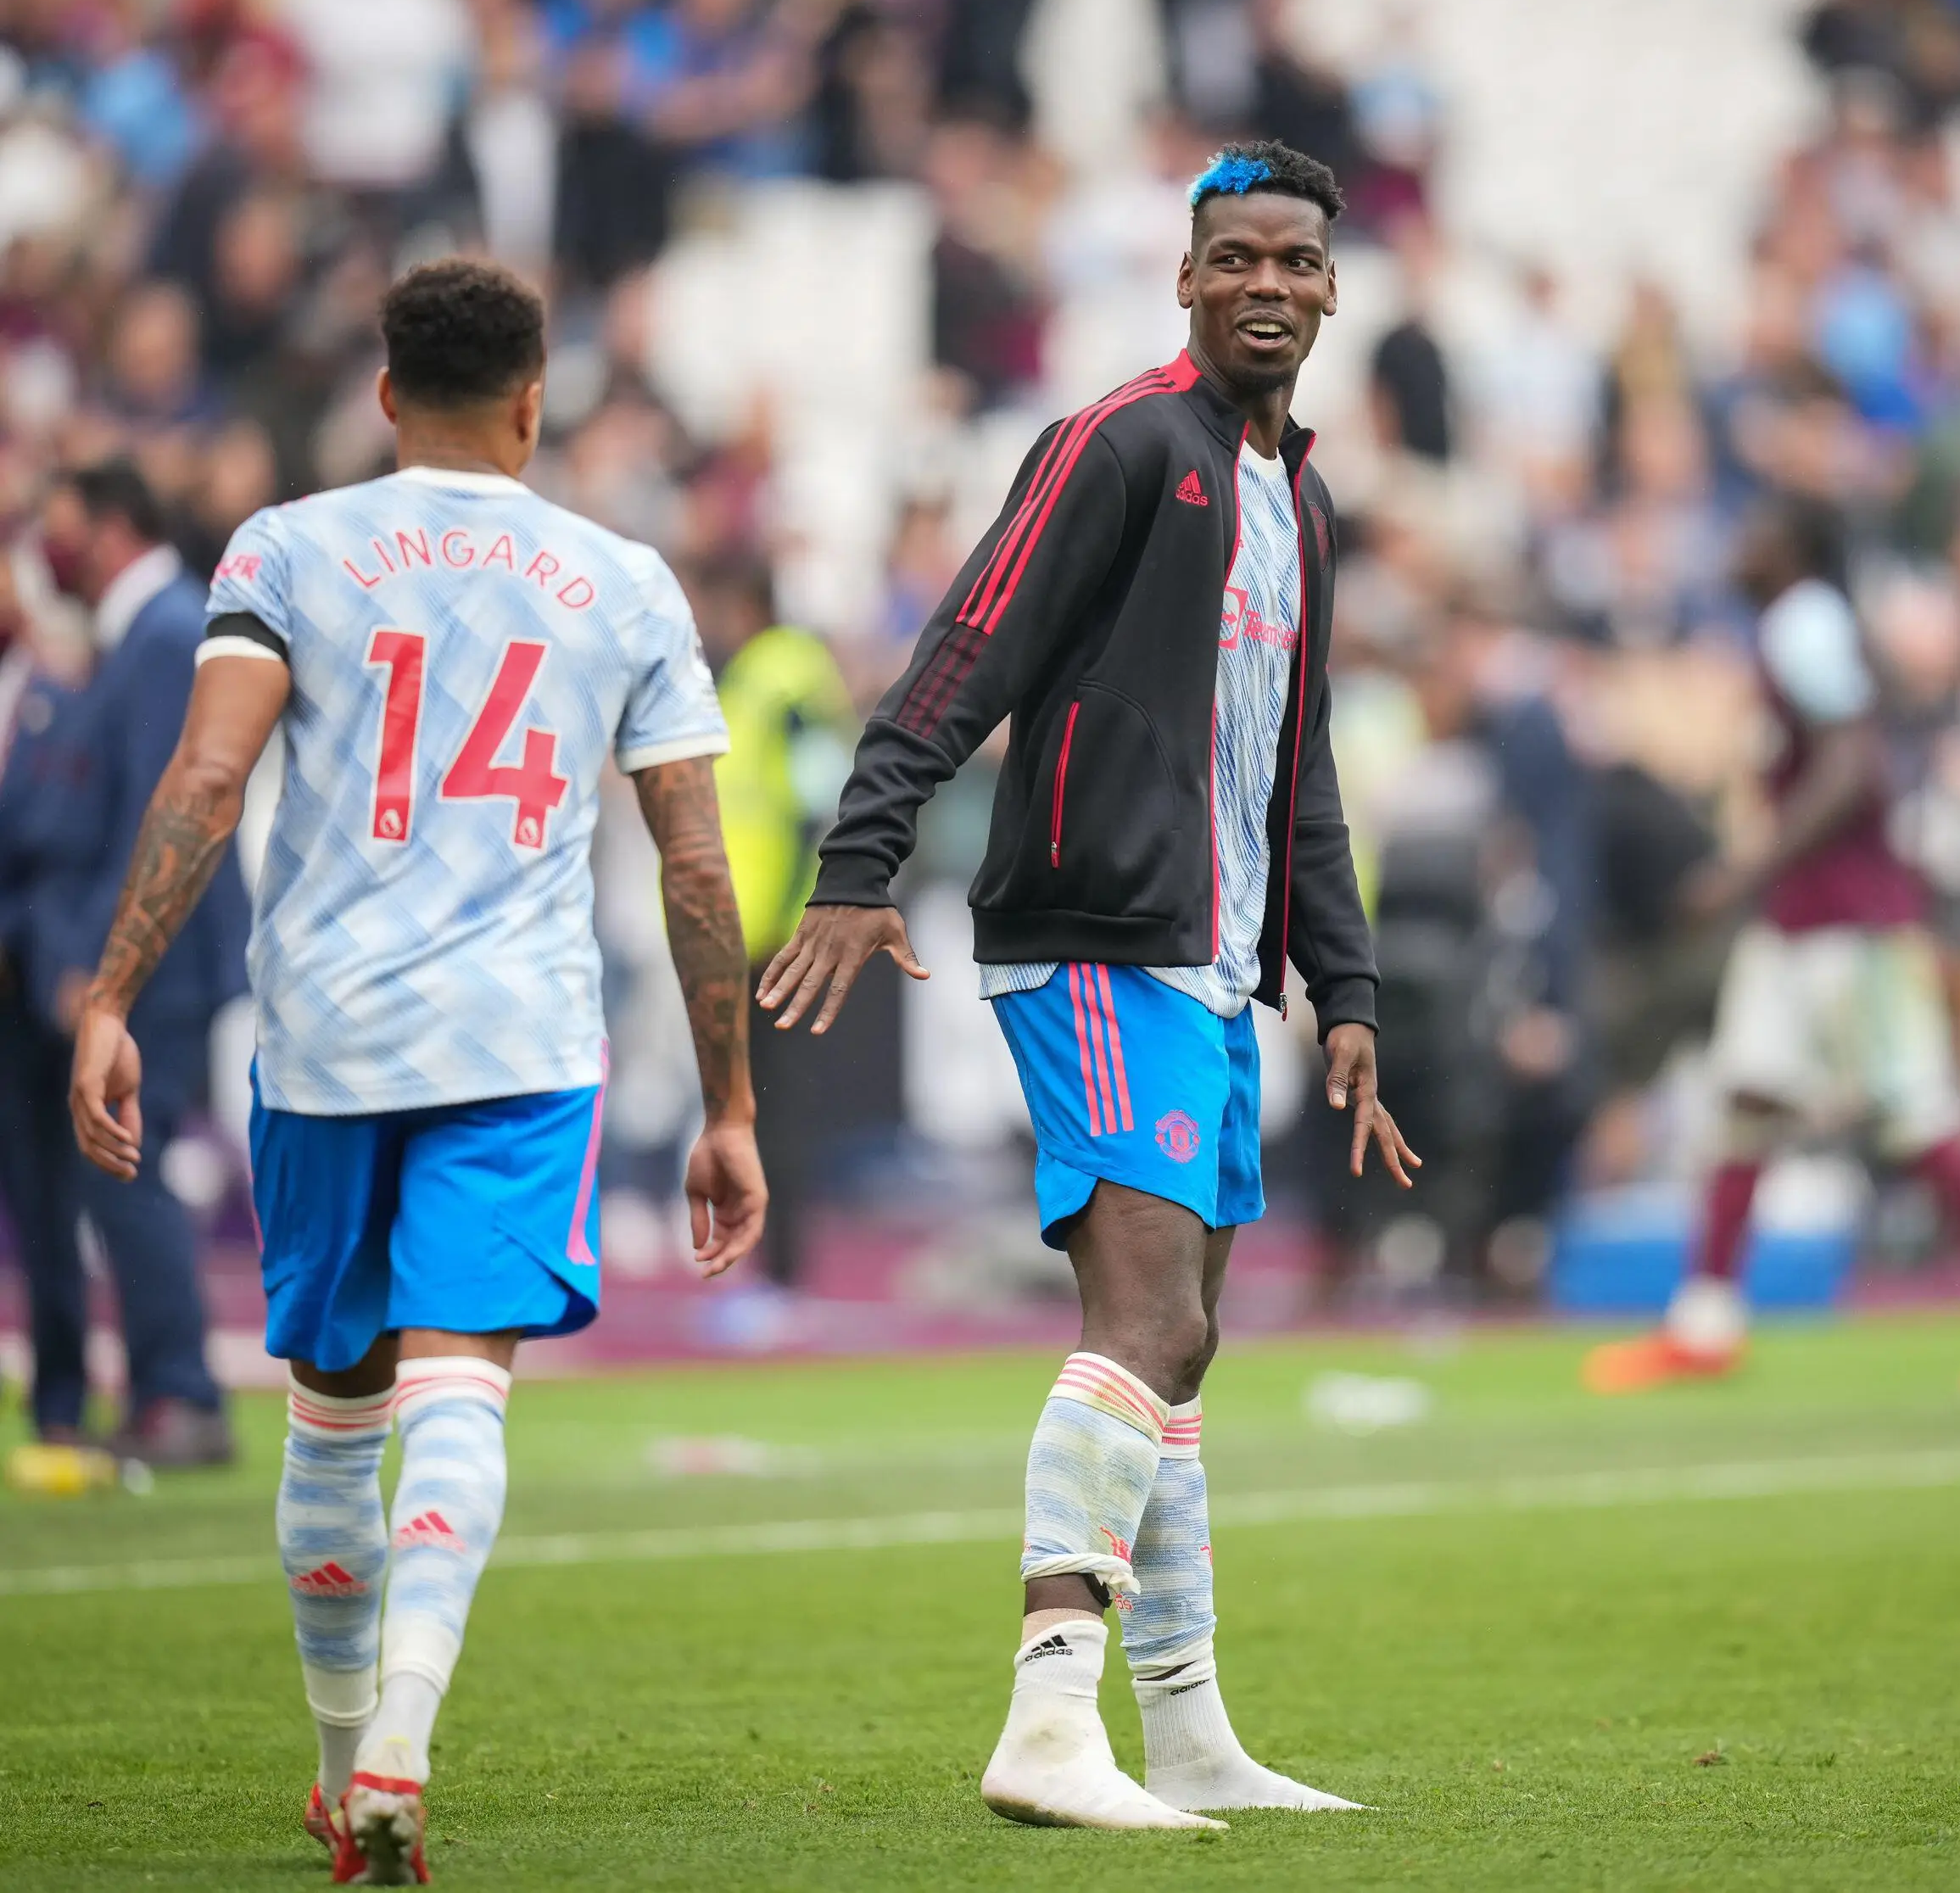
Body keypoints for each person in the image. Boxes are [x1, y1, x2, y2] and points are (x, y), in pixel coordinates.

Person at [66, 258, 765, 1885]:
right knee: (462, 1386)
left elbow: (211, 771)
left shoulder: (286, 549)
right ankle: (406, 1733)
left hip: (323, 1039)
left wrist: (112, 993)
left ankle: (335, 1765)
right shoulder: (625, 582)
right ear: (536, 402)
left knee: (331, 1417)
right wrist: (730, 1105)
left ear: (384, 395)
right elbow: (695, 872)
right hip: (517, 1043)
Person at [757, 140, 1417, 1831]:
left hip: (1213, 967)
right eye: (1237, 260)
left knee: (1181, 1354)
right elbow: (968, 643)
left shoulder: (1305, 503)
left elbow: (1301, 763)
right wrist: (857, 862)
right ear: (1186, 282)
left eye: (1296, 261)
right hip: (1097, 939)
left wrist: (1343, 989)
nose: (1268, 284)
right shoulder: (1120, 445)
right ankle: (1051, 1717)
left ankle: (1188, 1733)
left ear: (1335, 288)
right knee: (1151, 1322)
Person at [1583, 496, 1960, 1402]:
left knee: (1915, 1112)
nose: (1741, 541)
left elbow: (1853, 766)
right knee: (1746, 1102)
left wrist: (1744, 869)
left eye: (1760, 529)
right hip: (1799, 924)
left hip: (1848, 923)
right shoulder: (1800, 623)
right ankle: (1705, 1322)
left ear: (1797, 549)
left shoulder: (1803, 620)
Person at [5, 461, 244, 1466]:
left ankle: (180, 1393)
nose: (52, 553)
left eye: (63, 531)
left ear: (111, 530)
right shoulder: (137, 634)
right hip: (129, 956)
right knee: (105, 1181)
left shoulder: (163, 632)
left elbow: (167, 809)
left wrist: (107, 970)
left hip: (149, 963)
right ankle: (155, 1392)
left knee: (126, 1177)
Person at [693, 557, 856, 1287]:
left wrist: (801, 911)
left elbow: (817, 801)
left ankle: (782, 1275)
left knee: (775, 1104)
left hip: (777, 933)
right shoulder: (756, 675)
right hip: (748, 925)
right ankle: (766, 1271)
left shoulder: (785, 676)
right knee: (752, 1101)